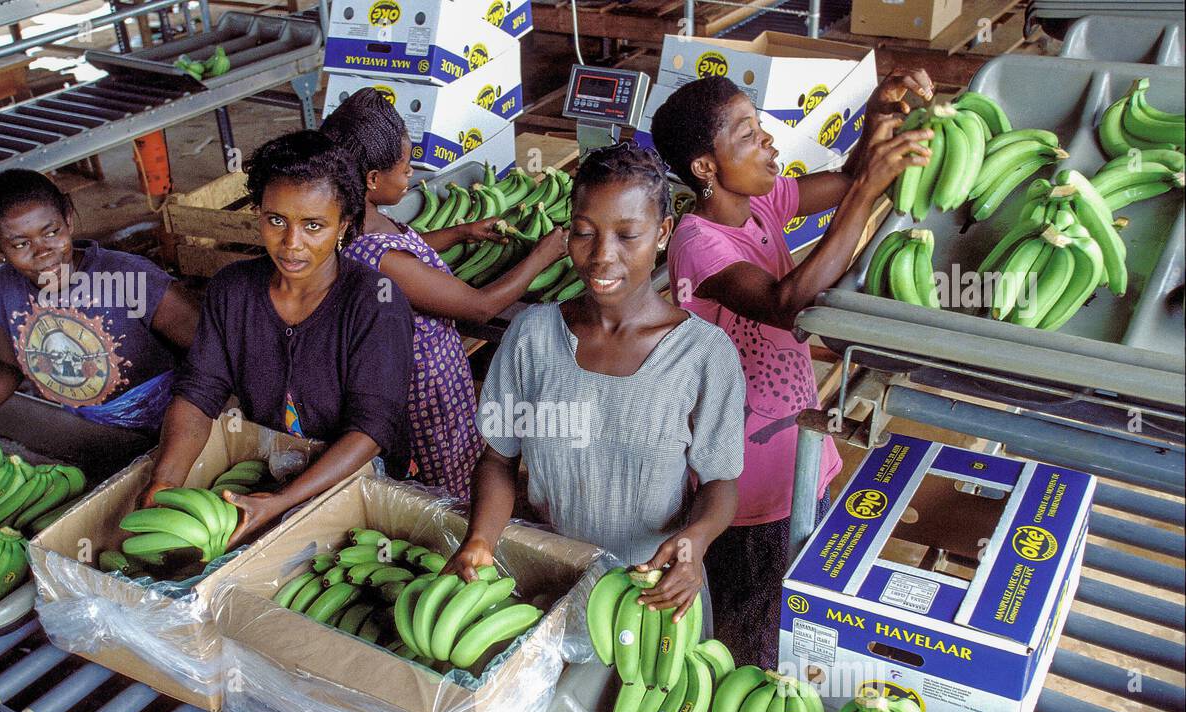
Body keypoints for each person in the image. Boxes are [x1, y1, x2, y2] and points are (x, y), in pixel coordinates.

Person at [650, 70, 935, 667]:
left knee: (804, 597)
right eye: (749, 135)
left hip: (800, 451)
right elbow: (787, 303)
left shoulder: (760, 203)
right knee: (756, 622)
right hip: (745, 475)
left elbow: (849, 178)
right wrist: (865, 195)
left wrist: (880, 116)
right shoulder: (700, 244)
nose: (770, 143)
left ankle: (797, 688)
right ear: (706, 167)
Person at [444, 142, 745, 627]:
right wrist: (481, 537)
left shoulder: (703, 354)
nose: (603, 257)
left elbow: (719, 481)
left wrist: (695, 542)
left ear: (663, 233)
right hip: (548, 579)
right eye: (584, 233)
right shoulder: (532, 336)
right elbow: (499, 458)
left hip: (654, 590)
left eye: (628, 236)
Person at [141, 131, 414, 548]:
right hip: (271, 466)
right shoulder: (232, 289)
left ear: (345, 224)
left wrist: (281, 501)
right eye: (276, 220)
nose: (291, 244)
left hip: (360, 477)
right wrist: (164, 482)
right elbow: (200, 390)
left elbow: (372, 426)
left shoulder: (375, 302)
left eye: (314, 226)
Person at [319, 88, 567, 498]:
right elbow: (480, 306)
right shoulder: (380, 259)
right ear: (372, 179)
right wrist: (542, 257)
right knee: (445, 488)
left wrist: (460, 232)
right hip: (424, 393)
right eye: (405, 167)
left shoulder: (360, 221)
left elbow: (405, 250)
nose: (412, 175)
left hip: (424, 376)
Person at [0, 168, 201, 469]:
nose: (44, 253)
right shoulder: (5, 290)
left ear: (68, 219)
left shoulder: (128, 278)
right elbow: (7, 363)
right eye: (21, 244)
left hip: (180, 422)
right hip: (95, 433)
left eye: (52, 232)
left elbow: (210, 347)